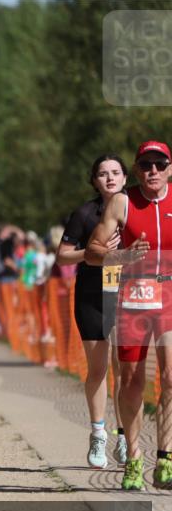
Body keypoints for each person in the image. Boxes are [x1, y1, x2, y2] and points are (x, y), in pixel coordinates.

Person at [87, 141, 172, 490]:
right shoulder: (123, 202)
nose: (153, 171)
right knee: (132, 380)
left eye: (159, 164)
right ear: (137, 171)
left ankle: (165, 458)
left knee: (170, 375)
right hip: (135, 295)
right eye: (146, 165)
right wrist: (121, 256)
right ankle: (134, 458)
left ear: (169, 168)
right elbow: (93, 251)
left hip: (169, 294)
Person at [57, 154, 130, 469]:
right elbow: (62, 257)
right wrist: (93, 252)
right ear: (94, 180)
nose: (110, 178)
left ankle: (126, 435)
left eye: (116, 172)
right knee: (99, 368)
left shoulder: (136, 210)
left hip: (129, 295)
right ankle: (98, 433)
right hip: (93, 296)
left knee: (126, 370)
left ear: (126, 178)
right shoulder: (84, 214)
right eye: (103, 173)